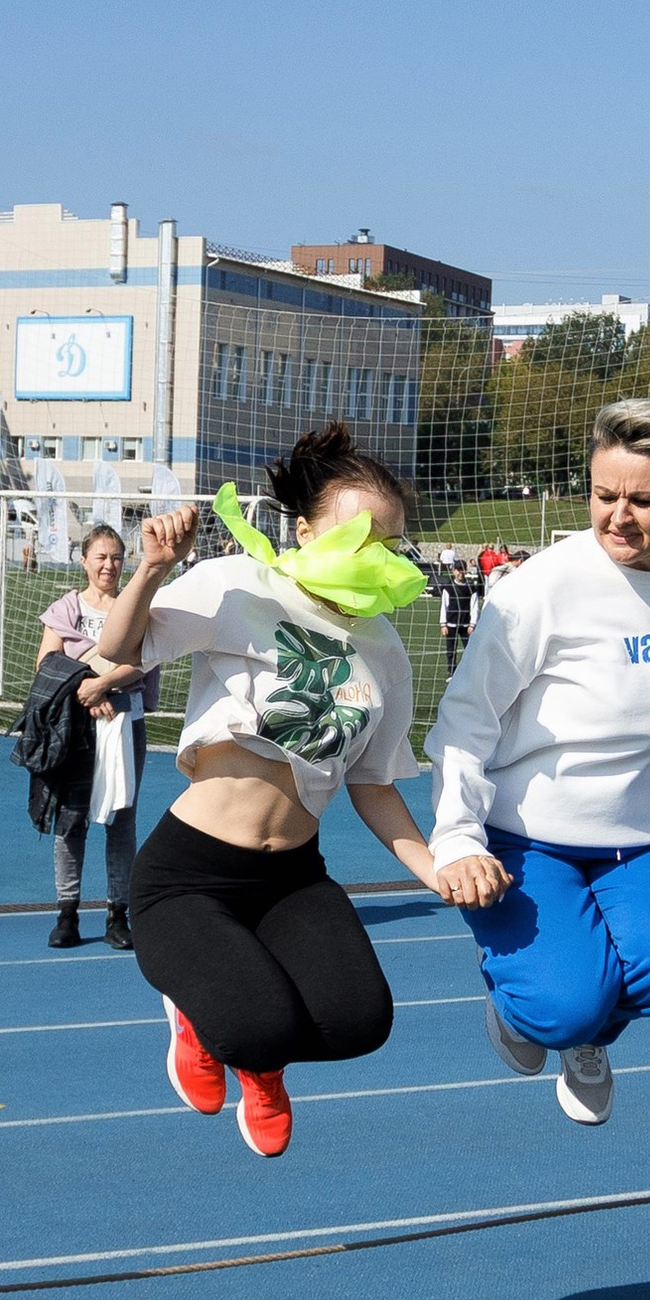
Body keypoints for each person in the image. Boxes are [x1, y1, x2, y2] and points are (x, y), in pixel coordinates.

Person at [95, 423, 440, 1159]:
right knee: (259, 1025)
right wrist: (152, 567)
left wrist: (437, 870)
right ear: (307, 531)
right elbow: (118, 650)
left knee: (361, 1023)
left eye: (390, 543)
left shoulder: (384, 647)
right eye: (360, 539)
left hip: (293, 878)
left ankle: (252, 1045)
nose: (379, 558)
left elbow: (374, 784)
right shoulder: (240, 585)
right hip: (190, 875)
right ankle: (218, 1028)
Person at [427, 399, 650, 1125]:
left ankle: (588, 1029)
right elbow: (465, 719)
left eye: (642, 500)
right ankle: (531, 1012)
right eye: (603, 494)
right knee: (562, 1006)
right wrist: (457, 839)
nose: (619, 516)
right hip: (529, 837)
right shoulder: (539, 589)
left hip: (649, 836)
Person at [35, 523, 158, 950]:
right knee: (71, 817)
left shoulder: (136, 607)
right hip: (76, 725)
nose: (109, 565)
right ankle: (66, 914)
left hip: (125, 723)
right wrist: (87, 691)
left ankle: (117, 915)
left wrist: (102, 686)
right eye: (101, 557)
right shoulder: (66, 608)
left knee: (122, 819)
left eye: (116, 557)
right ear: (84, 560)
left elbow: (142, 660)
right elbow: (46, 662)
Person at [438, 562, 479, 669]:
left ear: (465, 570)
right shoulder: (448, 588)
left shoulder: (471, 588)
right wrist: (443, 624)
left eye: (462, 569)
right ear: (453, 571)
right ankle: (451, 671)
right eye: (457, 570)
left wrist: (472, 624)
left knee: (470, 650)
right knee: (451, 651)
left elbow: (474, 607)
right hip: (451, 625)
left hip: (466, 626)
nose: (460, 572)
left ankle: (469, 670)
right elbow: (444, 606)